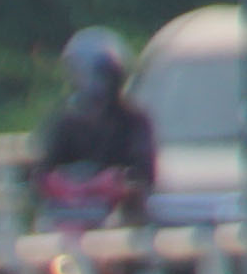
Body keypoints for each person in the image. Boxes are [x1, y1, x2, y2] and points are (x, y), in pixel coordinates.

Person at [33, 27, 160, 205]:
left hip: (122, 218)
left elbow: (144, 178)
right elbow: (42, 175)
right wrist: (63, 186)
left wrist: (118, 184)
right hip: (69, 215)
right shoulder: (65, 123)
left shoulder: (134, 121)